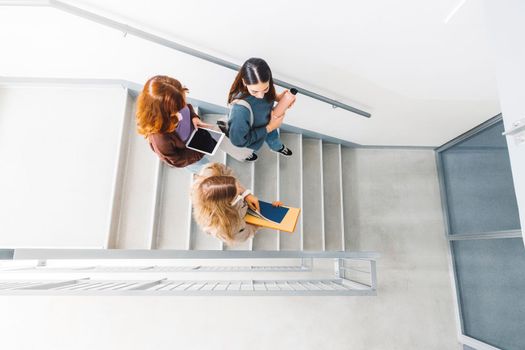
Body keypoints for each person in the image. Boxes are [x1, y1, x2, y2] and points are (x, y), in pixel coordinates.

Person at [191, 162, 282, 246]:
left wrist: (246, 194)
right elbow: (243, 236)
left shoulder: (212, 172)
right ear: (227, 204)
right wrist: (257, 224)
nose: (240, 191)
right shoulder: (224, 228)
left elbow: (228, 173)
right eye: (238, 194)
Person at [136, 75, 212, 173]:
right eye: (179, 106)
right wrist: (200, 151)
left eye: (183, 100)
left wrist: (194, 117)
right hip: (190, 157)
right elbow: (177, 161)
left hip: (195, 141)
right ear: (165, 112)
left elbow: (187, 108)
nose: (184, 104)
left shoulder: (177, 104)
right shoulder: (161, 139)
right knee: (206, 168)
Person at [227, 57, 294, 162]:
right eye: (255, 91)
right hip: (257, 130)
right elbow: (238, 141)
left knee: (274, 139)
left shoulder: (264, 83)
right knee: (249, 149)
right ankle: (248, 154)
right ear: (244, 82)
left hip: (269, 121)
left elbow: (263, 98)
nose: (261, 95)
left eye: (265, 89)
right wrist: (269, 128)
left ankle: (277, 147)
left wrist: (278, 98)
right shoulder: (239, 111)